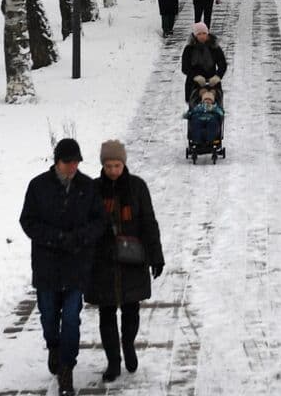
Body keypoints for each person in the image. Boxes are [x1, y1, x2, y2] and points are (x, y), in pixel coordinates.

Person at [19, 138, 106, 396]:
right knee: (48, 316)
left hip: (76, 265)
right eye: (68, 162)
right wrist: (54, 237)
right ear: (57, 161)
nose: (72, 167)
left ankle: (67, 367)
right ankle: (54, 346)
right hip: (47, 266)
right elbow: (28, 221)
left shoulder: (87, 187)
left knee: (70, 318)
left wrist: (80, 237)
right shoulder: (38, 186)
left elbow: (99, 221)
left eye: (76, 162)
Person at [88, 141, 164, 383]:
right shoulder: (93, 189)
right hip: (103, 262)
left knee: (131, 310)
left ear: (124, 163)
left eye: (117, 165)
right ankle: (113, 360)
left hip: (132, 259)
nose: (113, 170)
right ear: (103, 165)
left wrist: (156, 256)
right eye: (108, 165)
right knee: (106, 312)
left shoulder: (137, 187)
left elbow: (149, 223)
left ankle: (128, 344)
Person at [181, 22, 228, 105]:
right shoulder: (189, 49)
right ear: (195, 35)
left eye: (204, 33)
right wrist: (195, 76)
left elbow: (222, 64)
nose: (202, 36)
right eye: (199, 34)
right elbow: (185, 67)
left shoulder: (214, 47)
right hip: (194, 83)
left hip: (212, 82)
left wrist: (218, 76)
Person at [184, 86, 225, 151]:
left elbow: (221, 113)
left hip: (211, 119)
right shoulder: (199, 106)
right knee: (195, 123)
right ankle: (197, 140)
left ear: (213, 101)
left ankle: (210, 140)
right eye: (206, 99)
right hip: (199, 119)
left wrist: (215, 110)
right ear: (202, 100)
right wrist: (188, 114)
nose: (207, 101)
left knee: (213, 124)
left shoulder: (215, 107)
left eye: (210, 100)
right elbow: (193, 111)